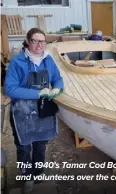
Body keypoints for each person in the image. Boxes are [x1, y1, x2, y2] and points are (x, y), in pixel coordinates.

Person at [4, 28, 64, 194]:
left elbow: (58, 78)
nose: (39, 45)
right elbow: (10, 89)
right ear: (28, 41)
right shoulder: (18, 62)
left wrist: (58, 88)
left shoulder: (48, 60)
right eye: (35, 41)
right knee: (23, 147)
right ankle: (26, 177)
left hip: (42, 111)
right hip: (22, 113)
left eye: (42, 41)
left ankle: (38, 173)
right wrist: (38, 93)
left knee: (41, 144)